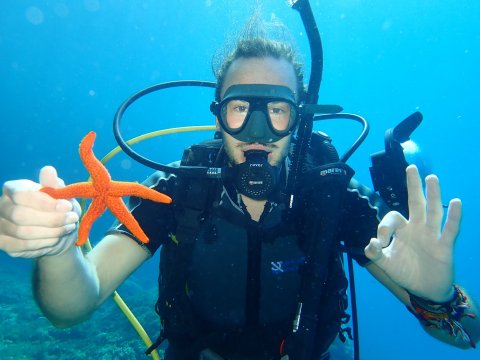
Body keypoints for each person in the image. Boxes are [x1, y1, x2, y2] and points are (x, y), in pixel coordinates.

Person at [0, 14, 479, 360]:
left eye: (277, 110)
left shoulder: (329, 197)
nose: (256, 131)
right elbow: (72, 307)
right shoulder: (179, 192)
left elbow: (466, 336)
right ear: (217, 118)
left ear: (300, 122)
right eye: (238, 108)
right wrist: (59, 250)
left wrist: (440, 302)